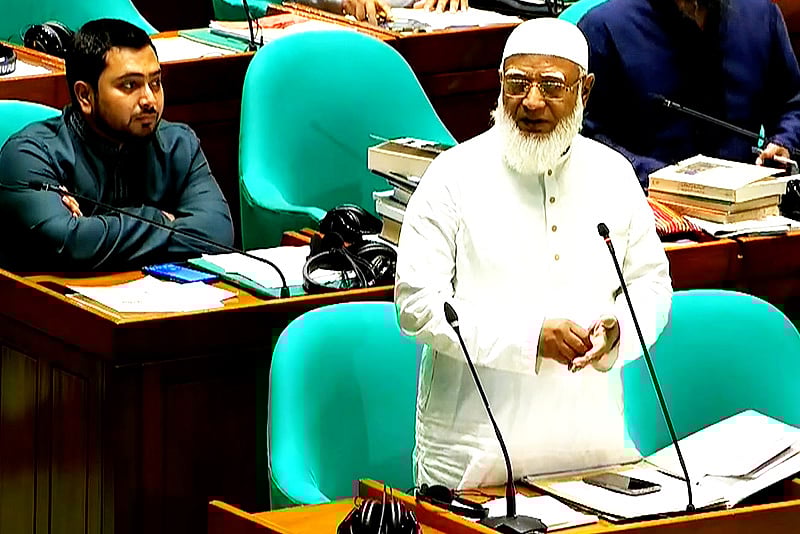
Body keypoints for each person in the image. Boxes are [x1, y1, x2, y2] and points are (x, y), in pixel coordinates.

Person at [395, 17, 672, 489]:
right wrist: (529, 340)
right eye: (518, 83)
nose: (532, 102)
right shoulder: (452, 175)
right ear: (499, 84)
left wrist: (618, 331)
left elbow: (651, 284)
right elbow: (416, 304)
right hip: (473, 464)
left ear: (585, 91)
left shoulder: (613, 175)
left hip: (593, 456)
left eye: (552, 86)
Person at [0, 19, 234, 272]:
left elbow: (217, 234)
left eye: (155, 83)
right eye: (130, 85)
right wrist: (162, 219)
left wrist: (94, 228)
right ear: (85, 96)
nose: (149, 100)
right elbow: (70, 244)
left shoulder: (178, 145)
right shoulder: (30, 155)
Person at [577, 0, 800, 188]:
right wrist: (661, 176)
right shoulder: (604, 26)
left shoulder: (761, 16)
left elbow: (793, 104)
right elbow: (584, 137)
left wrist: (784, 142)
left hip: (751, 203)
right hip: (644, 202)